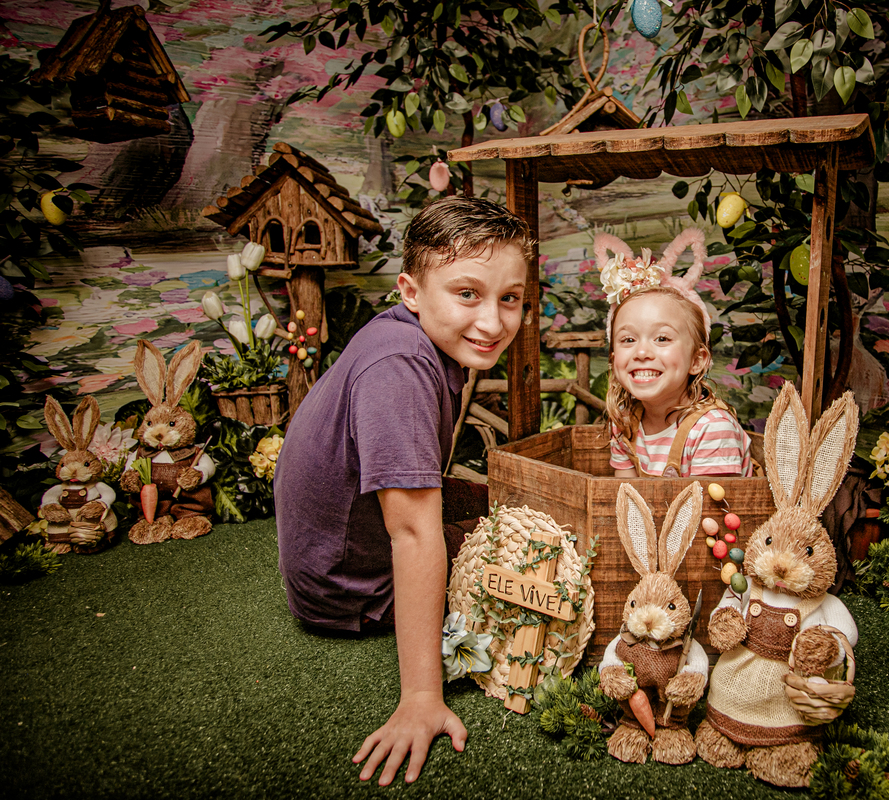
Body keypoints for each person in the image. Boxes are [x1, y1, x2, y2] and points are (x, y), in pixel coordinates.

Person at [274, 195, 534, 786]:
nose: (494, 322)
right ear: (412, 292)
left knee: (518, 512)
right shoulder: (400, 367)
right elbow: (414, 533)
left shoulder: (415, 338)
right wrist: (421, 696)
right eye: (467, 294)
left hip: (336, 554)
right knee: (540, 567)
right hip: (349, 590)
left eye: (509, 298)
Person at [595, 228, 753, 479]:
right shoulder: (624, 422)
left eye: (662, 338)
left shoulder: (711, 429)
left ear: (697, 360)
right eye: (628, 339)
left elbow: (710, 516)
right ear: (614, 360)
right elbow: (625, 502)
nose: (642, 351)